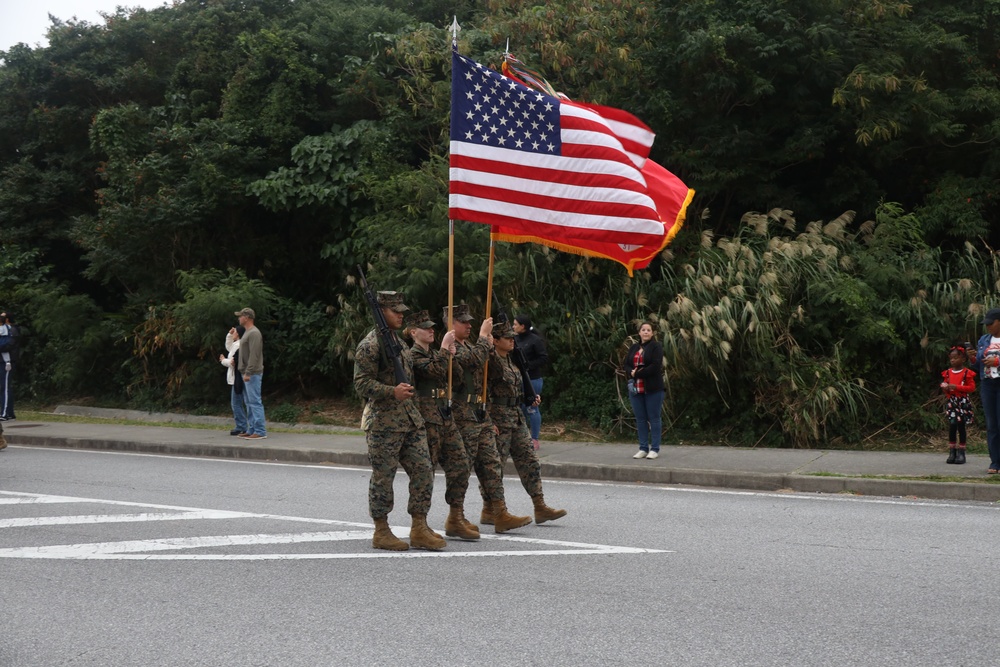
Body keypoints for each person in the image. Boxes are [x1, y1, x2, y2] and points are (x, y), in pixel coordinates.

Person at [355, 292, 445, 551]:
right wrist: (390, 391)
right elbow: (361, 382)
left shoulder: (399, 342)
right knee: (384, 477)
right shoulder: (370, 344)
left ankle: (419, 527)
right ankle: (381, 531)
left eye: (402, 310)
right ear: (381, 311)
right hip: (383, 422)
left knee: (424, 471)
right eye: (395, 310)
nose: (401, 314)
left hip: (409, 419)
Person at [448, 303, 532, 533]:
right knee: (462, 468)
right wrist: (485, 336)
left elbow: (486, 364)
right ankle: (455, 517)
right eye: (462, 321)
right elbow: (473, 360)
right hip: (462, 414)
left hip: (480, 413)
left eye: (469, 321)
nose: (469, 325)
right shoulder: (452, 347)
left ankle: (499, 512)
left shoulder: (470, 345)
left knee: (492, 465)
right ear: (451, 324)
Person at [405, 309, 479, 540]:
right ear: (412, 332)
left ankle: (456, 516)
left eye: (432, 327)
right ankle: (420, 524)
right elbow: (433, 371)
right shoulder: (412, 356)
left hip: (445, 417)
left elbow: (455, 379)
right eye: (425, 327)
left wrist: (451, 356)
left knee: (461, 464)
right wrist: (445, 352)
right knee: (425, 473)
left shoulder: (437, 353)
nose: (431, 330)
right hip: (427, 420)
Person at [488, 320, 566, 524]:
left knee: (529, 461)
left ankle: (540, 506)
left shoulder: (512, 360)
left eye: (512, 337)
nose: (512, 341)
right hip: (498, 418)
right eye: (507, 338)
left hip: (516, 416)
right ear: (495, 341)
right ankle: (491, 509)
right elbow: (483, 393)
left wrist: (529, 396)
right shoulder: (490, 363)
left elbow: (514, 386)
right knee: (496, 466)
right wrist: (488, 420)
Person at [624, 321, 665, 460]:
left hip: (653, 388)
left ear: (652, 333)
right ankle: (643, 448)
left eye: (649, 330)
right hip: (636, 388)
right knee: (640, 419)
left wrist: (637, 374)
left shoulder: (656, 346)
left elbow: (655, 366)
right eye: (643, 330)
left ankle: (654, 448)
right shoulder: (634, 347)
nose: (646, 332)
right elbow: (627, 364)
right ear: (639, 332)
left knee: (654, 418)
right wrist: (632, 373)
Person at [970, 308, 1000, 474]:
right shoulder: (984, 339)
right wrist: (973, 358)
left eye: (991, 323)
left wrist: (997, 360)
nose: (988, 326)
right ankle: (995, 462)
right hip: (988, 384)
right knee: (991, 425)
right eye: (986, 324)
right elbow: (977, 365)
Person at [513, 314, 547, 450]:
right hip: (517, 379)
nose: (513, 326)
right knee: (519, 409)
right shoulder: (513, 339)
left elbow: (543, 358)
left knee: (532, 408)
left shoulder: (535, 340)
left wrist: (528, 366)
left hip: (532, 379)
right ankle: (520, 438)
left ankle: (534, 439)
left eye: (515, 324)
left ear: (523, 326)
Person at [235, 308, 267, 440]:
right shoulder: (248, 332)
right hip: (246, 372)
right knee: (249, 402)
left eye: (240, 316)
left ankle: (260, 430)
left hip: (252, 373)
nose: (239, 318)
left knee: (254, 402)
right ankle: (252, 428)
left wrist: (248, 372)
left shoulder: (254, 333)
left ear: (247, 317)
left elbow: (254, 354)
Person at [942, 345, 975, 465]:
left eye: (956, 358)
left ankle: (962, 452)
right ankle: (952, 451)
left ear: (963, 359)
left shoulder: (967, 373)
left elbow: (971, 387)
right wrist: (945, 388)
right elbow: (946, 388)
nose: (952, 360)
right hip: (952, 402)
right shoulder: (947, 373)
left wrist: (957, 387)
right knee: (952, 426)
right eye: (951, 358)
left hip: (963, 402)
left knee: (961, 426)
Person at [219, 325, 248, 436]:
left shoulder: (239, 345)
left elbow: (232, 362)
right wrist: (229, 334)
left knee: (236, 403)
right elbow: (228, 347)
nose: (233, 333)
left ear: (239, 334)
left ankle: (241, 426)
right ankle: (242, 425)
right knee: (238, 402)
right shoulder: (236, 344)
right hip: (235, 377)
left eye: (234, 331)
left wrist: (223, 360)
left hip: (237, 377)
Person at [0, 312, 16, 421]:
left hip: (6, 362)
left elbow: (7, 345)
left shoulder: (9, 331)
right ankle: (9, 412)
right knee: (4, 387)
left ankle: (5, 413)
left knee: (5, 387)